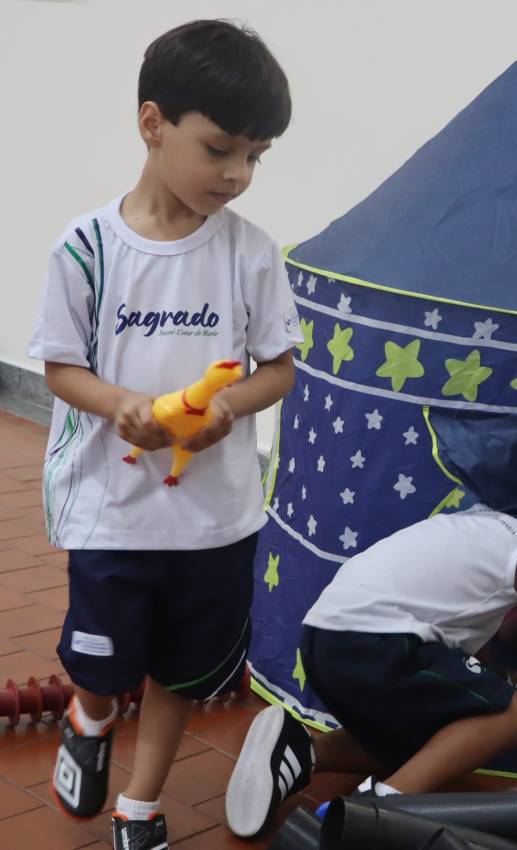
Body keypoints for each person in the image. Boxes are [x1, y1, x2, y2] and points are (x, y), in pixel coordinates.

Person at [28, 20, 299, 850]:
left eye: (256, 155)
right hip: (111, 511)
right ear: (153, 123)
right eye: (220, 149)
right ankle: (90, 715)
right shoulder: (86, 249)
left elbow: (278, 370)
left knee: (183, 669)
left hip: (213, 521)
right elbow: (60, 368)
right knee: (104, 663)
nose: (238, 173)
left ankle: (139, 805)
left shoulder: (251, 254)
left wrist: (228, 410)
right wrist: (119, 405)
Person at [224, 501, 517, 838]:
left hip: (323, 637)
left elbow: (465, 632)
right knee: (511, 715)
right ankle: (378, 812)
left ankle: (301, 750)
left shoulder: (475, 519)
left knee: (437, 744)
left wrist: (494, 679)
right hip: (379, 643)